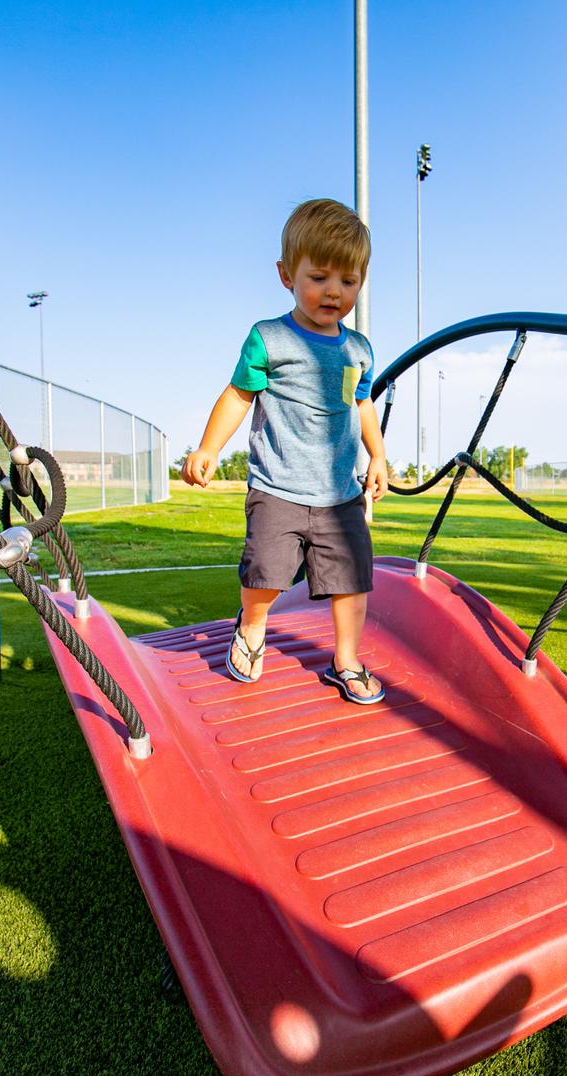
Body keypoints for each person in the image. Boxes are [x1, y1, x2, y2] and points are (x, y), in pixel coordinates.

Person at [180, 198, 389, 704]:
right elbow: (238, 395)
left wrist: (378, 457)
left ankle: (346, 660)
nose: (334, 292)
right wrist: (209, 447)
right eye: (319, 277)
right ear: (285, 274)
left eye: (349, 281)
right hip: (277, 487)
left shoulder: (356, 349)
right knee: (266, 575)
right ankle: (252, 627)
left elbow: (360, 406)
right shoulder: (269, 339)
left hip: (339, 494)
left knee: (352, 582)